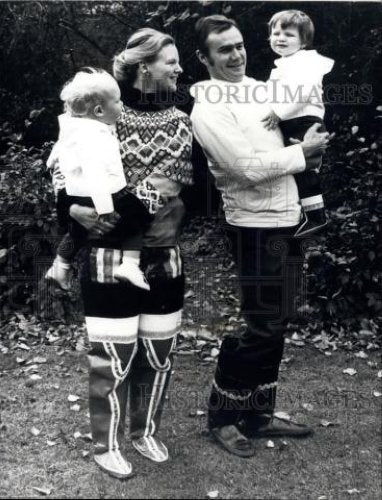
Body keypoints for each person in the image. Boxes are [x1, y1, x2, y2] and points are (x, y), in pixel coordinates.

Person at [51, 28, 193, 478]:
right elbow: (61, 171)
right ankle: (106, 443)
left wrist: (103, 221)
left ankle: (143, 430)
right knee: (111, 357)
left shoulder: (181, 121)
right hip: (106, 259)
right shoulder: (101, 114)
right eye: (169, 61)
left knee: (158, 352)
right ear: (142, 67)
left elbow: (170, 186)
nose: (178, 68)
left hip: (161, 252)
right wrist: (73, 208)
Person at [190, 15, 330, 458]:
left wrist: (311, 131)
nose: (235, 54)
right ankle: (222, 415)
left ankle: (258, 412)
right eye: (223, 49)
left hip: (288, 217)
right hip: (253, 226)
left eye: (238, 45)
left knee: (279, 318)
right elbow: (245, 169)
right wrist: (302, 153)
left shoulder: (262, 87)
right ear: (204, 58)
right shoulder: (208, 107)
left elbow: (301, 106)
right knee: (262, 323)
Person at [46, 69, 157, 291]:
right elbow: (95, 171)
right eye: (117, 101)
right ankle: (130, 265)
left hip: (75, 193)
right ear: (98, 110)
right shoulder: (95, 136)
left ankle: (61, 264)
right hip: (99, 194)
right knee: (138, 213)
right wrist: (105, 208)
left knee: (77, 231)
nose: (122, 105)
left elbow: (52, 161)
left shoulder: (72, 129)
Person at [263, 10, 334, 237]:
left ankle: (317, 215)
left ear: (303, 41)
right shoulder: (282, 65)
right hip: (291, 121)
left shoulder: (306, 62)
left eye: (289, 34)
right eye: (276, 33)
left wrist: (278, 113)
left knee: (306, 168)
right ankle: (301, 215)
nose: (281, 38)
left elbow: (303, 92)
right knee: (292, 168)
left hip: (304, 121)